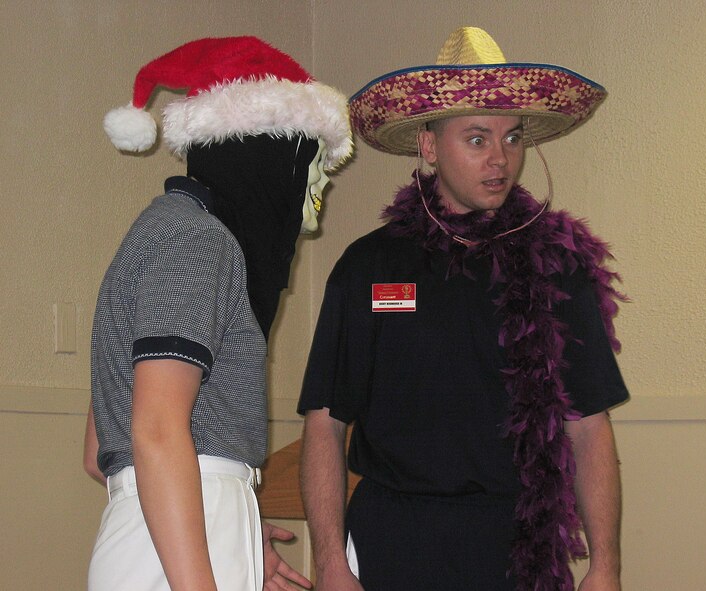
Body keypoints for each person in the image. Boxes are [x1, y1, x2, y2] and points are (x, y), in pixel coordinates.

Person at [298, 27, 628, 591]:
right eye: (477, 139)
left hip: (519, 549)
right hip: (392, 543)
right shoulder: (368, 266)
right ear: (429, 147)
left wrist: (605, 567)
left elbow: (589, 427)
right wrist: (330, 563)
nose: (500, 159)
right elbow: (325, 424)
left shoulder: (557, 266)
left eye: (512, 137)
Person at [82, 36, 353, 591]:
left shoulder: (167, 231)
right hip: (175, 537)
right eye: (311, 164)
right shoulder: (196, 241)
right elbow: (157, 431)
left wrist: (235, 528)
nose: (319, 187)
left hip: (169, 526)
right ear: (270, 160)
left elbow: (99, 451)